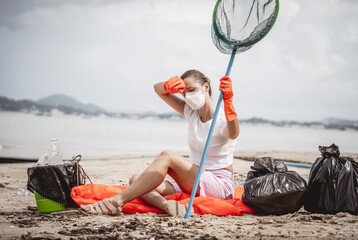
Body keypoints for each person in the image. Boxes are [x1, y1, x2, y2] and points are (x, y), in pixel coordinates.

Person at [80, 69, 239, 216]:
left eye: (191, 90)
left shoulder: (222, 117)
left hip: (218, 184)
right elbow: (158, 89)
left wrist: (228, 103)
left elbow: (233, 133)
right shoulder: (191, 113)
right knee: (136, 179)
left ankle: (115, 202)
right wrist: (168, 86)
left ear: (205, 87)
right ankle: (167, 206)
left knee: (167, 156)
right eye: (183, 93)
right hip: (193, 180)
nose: (188, 96)